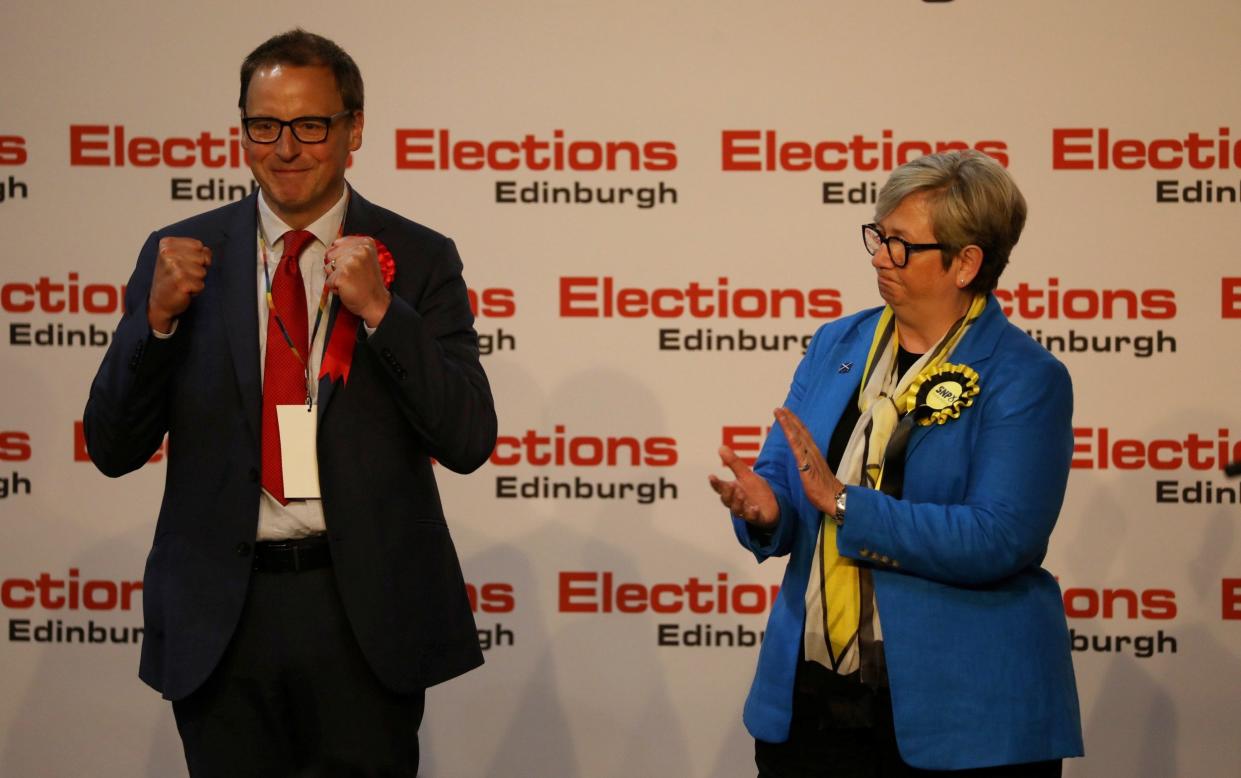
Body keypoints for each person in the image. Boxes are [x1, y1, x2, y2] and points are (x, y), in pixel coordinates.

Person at [84, 29, 496, 777]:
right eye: (264, 125)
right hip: (223, 618)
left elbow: (468, 438)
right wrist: (156, 322)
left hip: (361, 616)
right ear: (241, 130)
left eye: (311, 124)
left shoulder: (420, 257)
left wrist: (381, 314)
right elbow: (112, 446)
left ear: (354, 129)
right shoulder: (179, 254)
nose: (287, 147)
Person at [709, 150, 1083, 776]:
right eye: (878, 236)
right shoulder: (840, 342)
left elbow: (1000, 537)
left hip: (962, 718)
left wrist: (849, 505)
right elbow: (787, 473)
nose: (880, 256)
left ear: (966, 262)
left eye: (902, 245)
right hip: (817, 698)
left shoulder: (1025, 377)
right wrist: (768, 508)